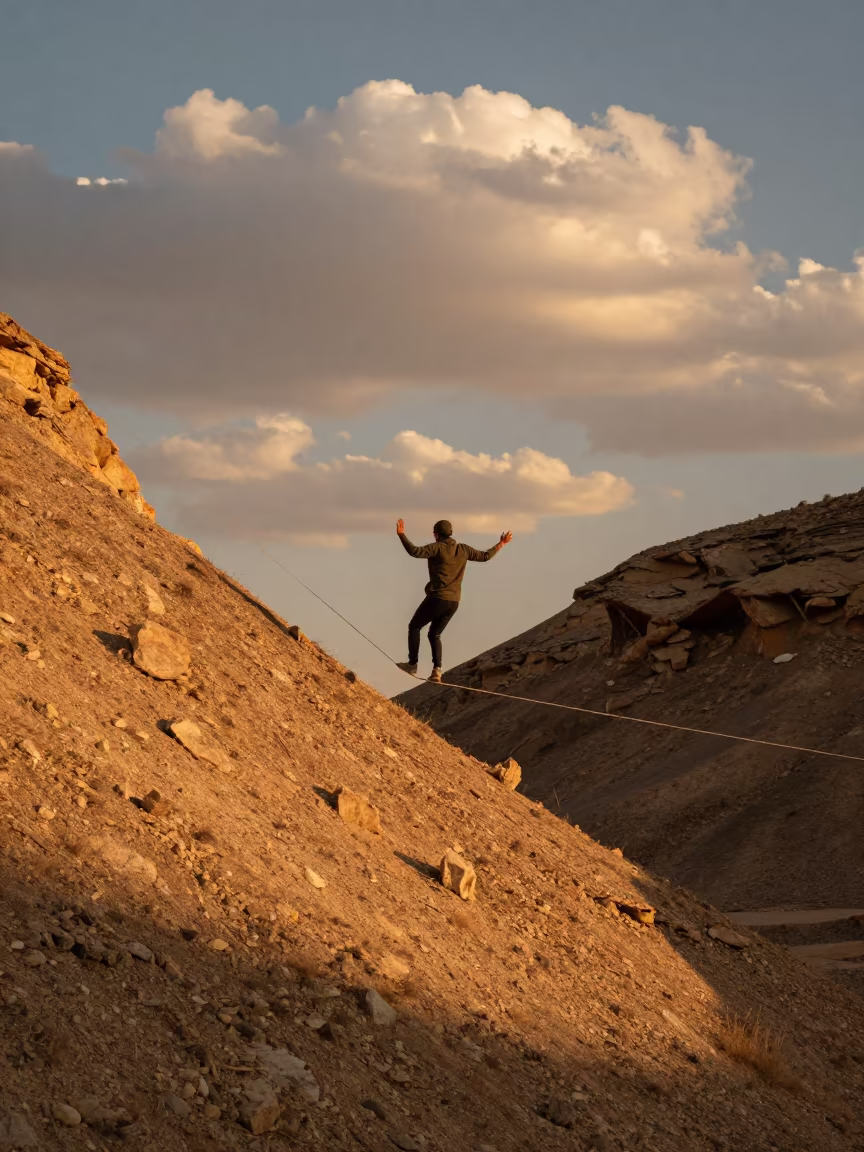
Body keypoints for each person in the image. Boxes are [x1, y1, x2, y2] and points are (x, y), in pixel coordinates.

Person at [395, 518, 513, 683]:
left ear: (436, 534)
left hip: (438, 598)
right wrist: (502, 543)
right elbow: (485, 556)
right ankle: (437, 671)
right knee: (434, 634)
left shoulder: (437, 548)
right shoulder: (463, 549)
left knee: (414, 626)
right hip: (454, 602)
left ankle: (412, 664)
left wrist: (401, 535)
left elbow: (414, 551)